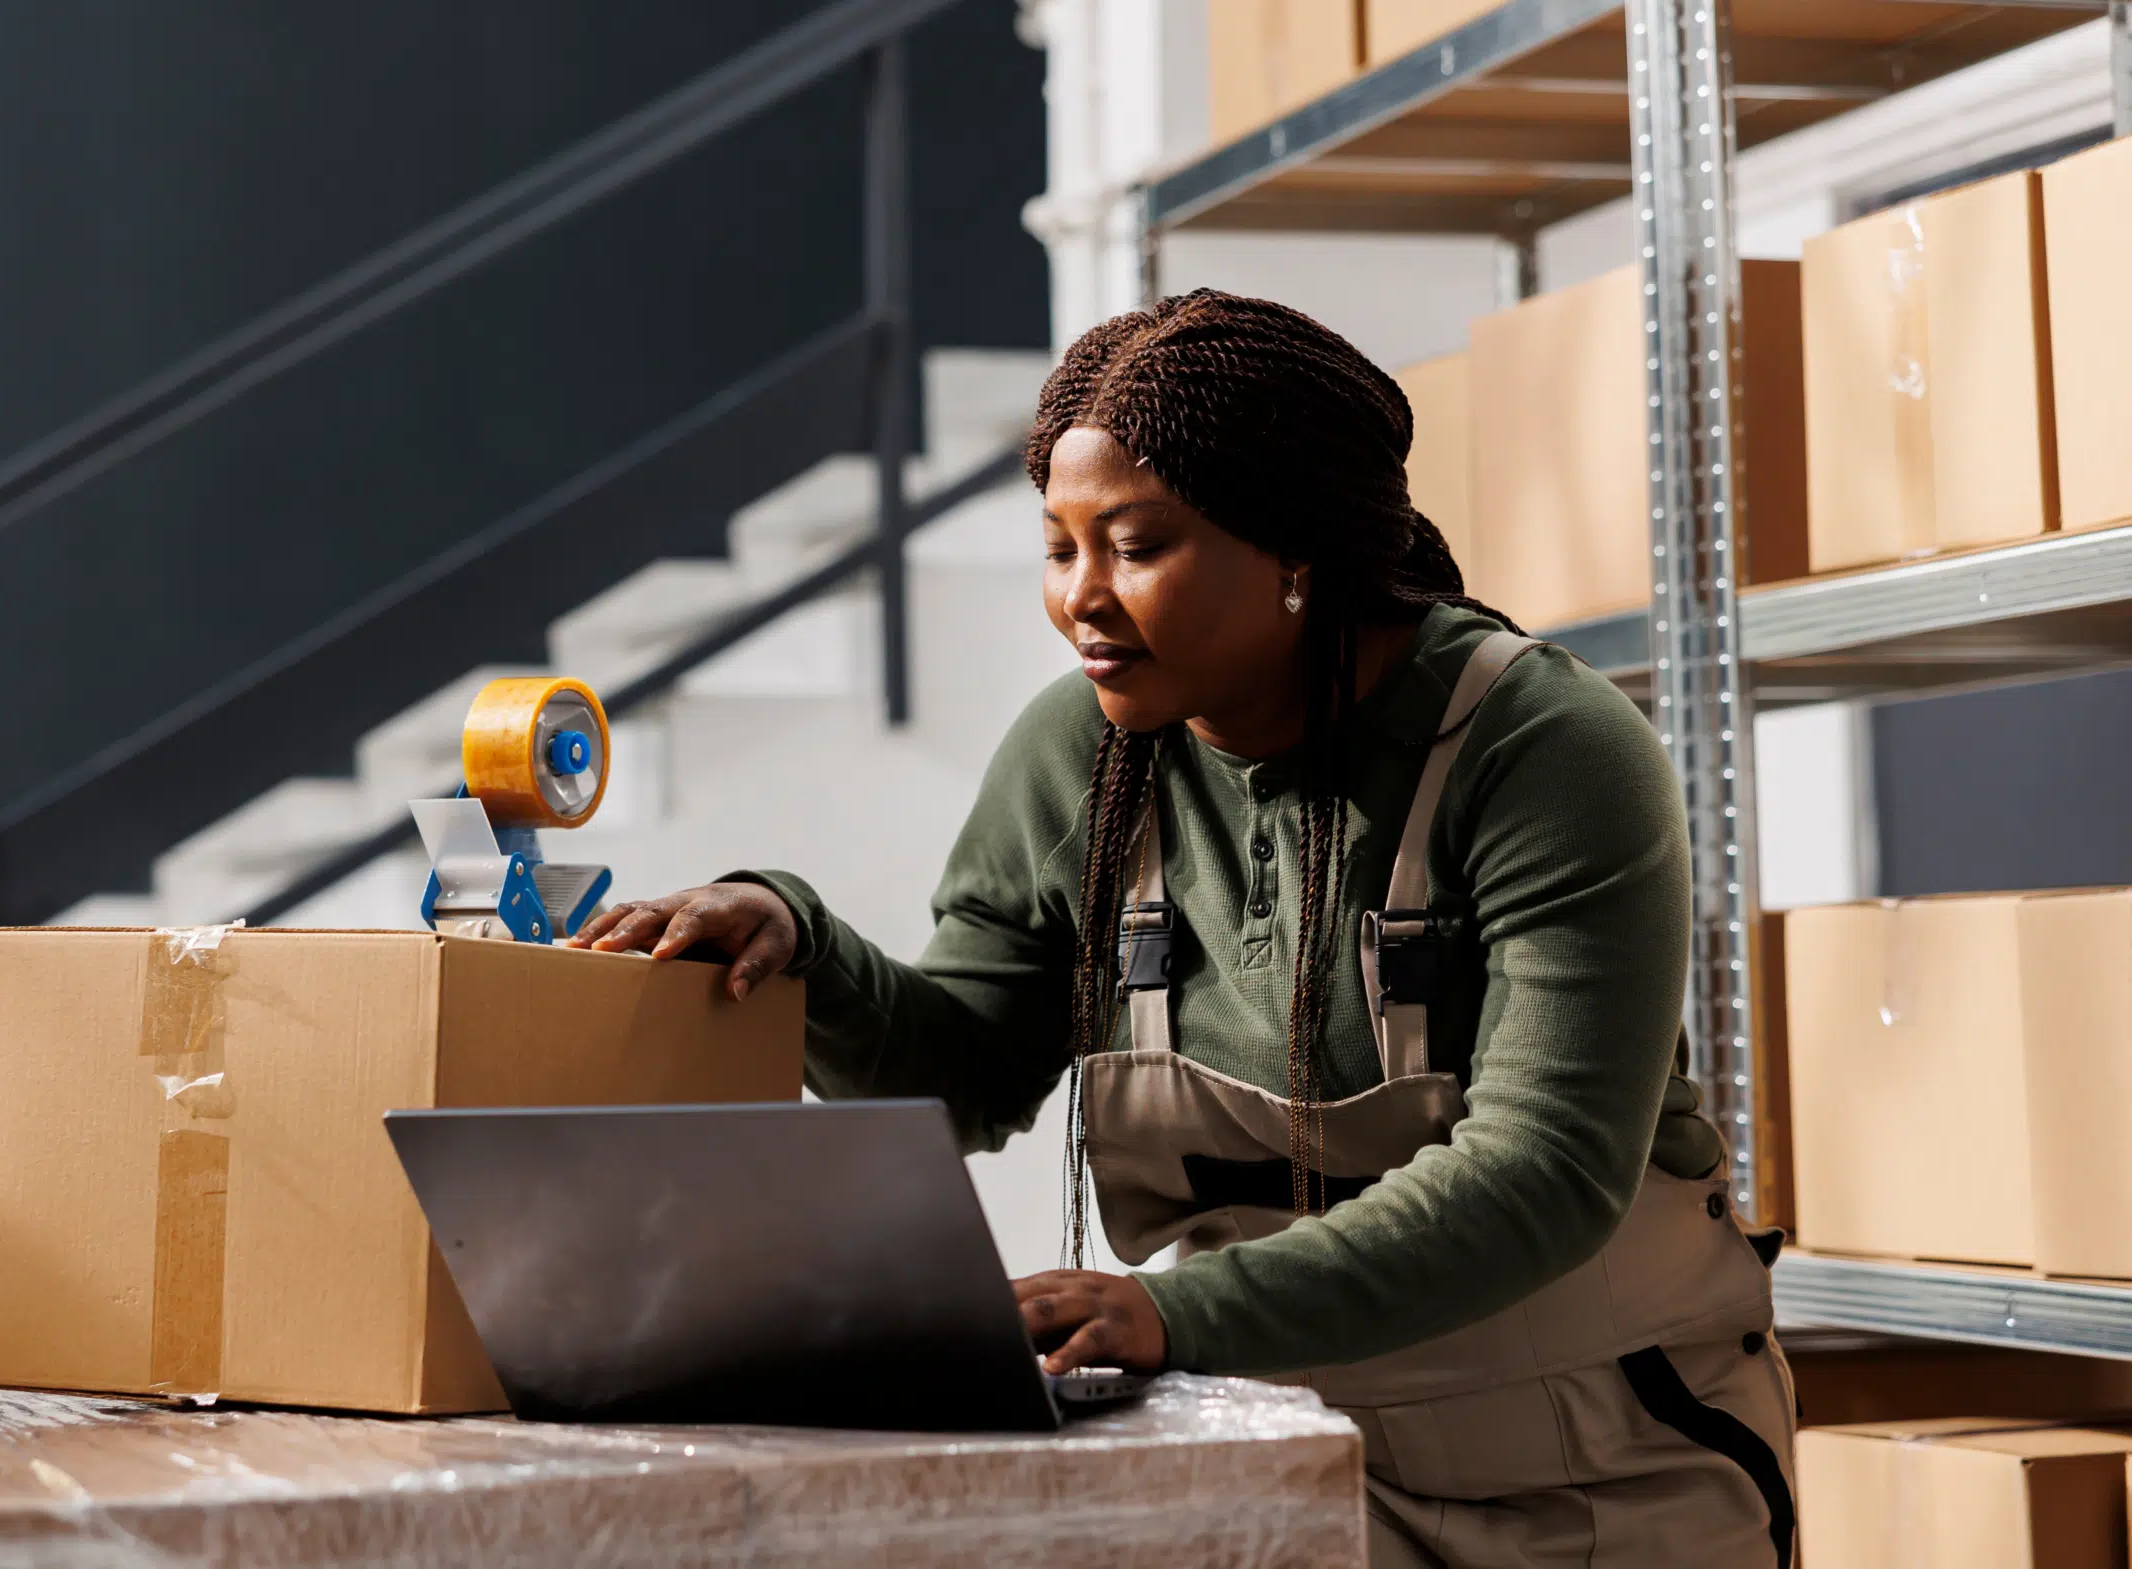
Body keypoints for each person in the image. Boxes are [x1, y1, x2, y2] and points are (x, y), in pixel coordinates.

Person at [567, 290, 1795, 1567]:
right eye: (1058, 547)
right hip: (1274, 1454)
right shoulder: (1080, 760)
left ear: (1296, 557)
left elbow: (1544, 1173)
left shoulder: (1546, 753)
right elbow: (967, 1070)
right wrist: (796, 942)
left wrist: (1166, 1315)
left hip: (1602, 1472)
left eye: (1136, 545)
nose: (1081, 600)